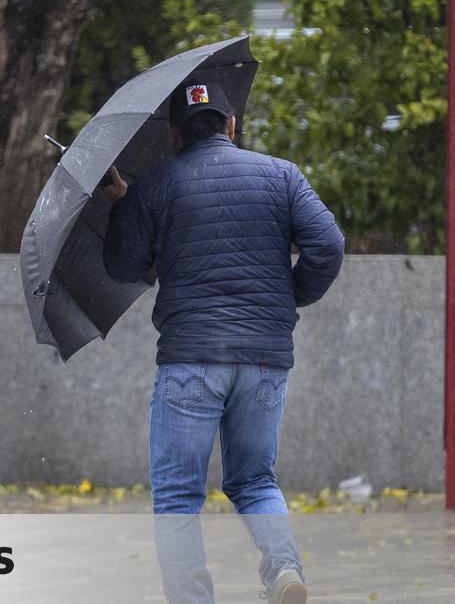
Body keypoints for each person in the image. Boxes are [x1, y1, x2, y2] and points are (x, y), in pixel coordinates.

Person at [102, 80, 345, 604]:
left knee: (177, 494)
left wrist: (125, 203)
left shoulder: (159, 184)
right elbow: (328, 245)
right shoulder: (283, 176)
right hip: (265, 359)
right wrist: (285, 300)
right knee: (255, 479)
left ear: (173, 135)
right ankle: (283, 569)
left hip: (191, 359)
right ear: (231, 126)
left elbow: (123, 266)